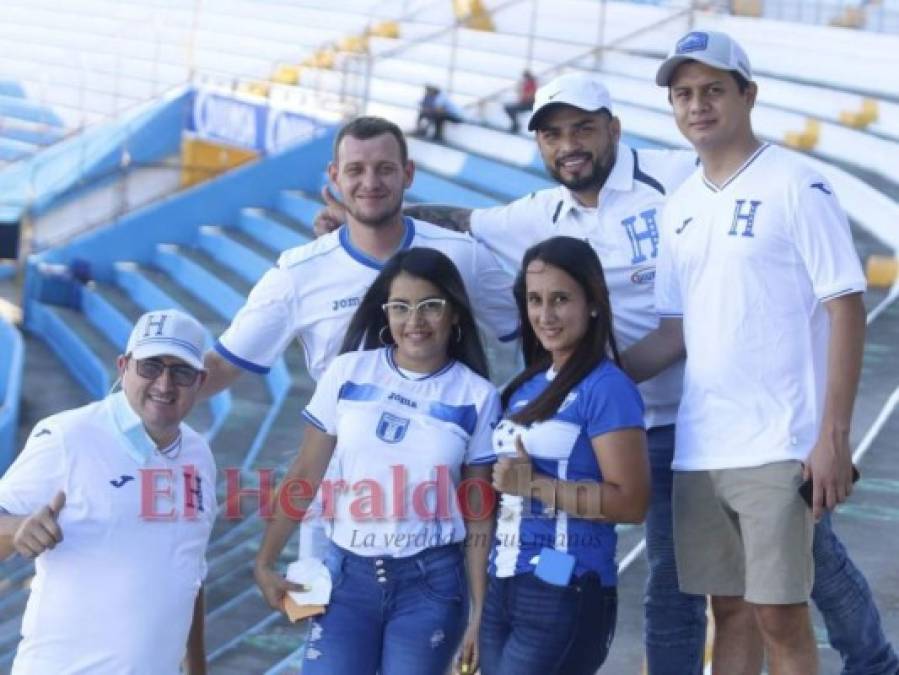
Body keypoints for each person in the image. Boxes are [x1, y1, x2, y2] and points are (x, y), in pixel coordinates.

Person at [315, 70, 898, 675]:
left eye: (584, 129)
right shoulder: (539, 213)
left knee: (808, 560)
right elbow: (465, 221)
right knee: (677, 591)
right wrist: (372, 215)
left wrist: (824, 424)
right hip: (618, 419)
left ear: (613, 128)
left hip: (711, 416)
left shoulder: (677, 176)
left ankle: (873, 661)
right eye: (553, 135)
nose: (569, 145)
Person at [629, 30, 878, 674]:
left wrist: (834, 436)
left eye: (713, 90)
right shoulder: (678, 207)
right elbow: (672, 333)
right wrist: (582, 373)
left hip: (781, 440)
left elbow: (847, 309)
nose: (697, 105)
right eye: (683, 94)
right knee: (729, 610)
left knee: (781, 615)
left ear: (749, 95)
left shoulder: (797, 183)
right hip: (703, 446)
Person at [254, 247, 499, 675]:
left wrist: (481, 614)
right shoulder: (348, 373)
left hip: (431, 586)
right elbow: (305, 473)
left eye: (430, 307)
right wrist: (265, 561)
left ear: (455, 314)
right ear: (385, 313)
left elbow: (479, 514)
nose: (415, 321)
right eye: (401, 307)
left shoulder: (477, 396)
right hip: (347, 579)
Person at [0, 309, 216, 675]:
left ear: (200, 381)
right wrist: (16, 529)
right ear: (123, 366)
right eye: (151, 367)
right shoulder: (68, 436)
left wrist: (197, 669)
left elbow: (188, 574)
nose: (164, 385)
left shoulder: (199, 455)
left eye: (180, 372)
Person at [479, 236, 650, 674]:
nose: (546, 314)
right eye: (535, 300)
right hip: (503, 584)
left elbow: (630, 502)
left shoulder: (607, 388)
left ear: (593, 303)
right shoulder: (525, 386)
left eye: (560, 299)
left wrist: (534, 485)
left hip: (565, 584)